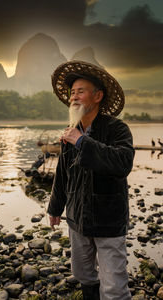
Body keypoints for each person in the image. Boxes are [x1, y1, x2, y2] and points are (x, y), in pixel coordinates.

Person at [47, 60, 135, 300]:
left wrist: (82, 141)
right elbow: (63, 173)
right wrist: (55, 207)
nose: (74, 97)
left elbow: (122, 163)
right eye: (72, 92)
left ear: (97, 96)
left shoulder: (117, 129)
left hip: (109, 220)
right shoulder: (70, 131)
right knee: (84, 275)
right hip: (77, 219)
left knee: (114, 288)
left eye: (81, 91)